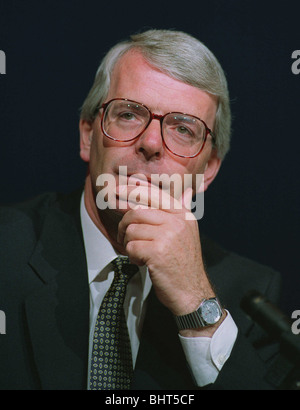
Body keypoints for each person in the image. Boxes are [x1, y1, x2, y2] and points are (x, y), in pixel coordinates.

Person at [0, 29, 282, 390]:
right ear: (88, 135)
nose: (150, 143)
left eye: (183, 128)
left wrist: (197, 304)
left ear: (208, 170)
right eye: (130, 114)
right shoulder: (6, 248)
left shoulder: (250, 295)